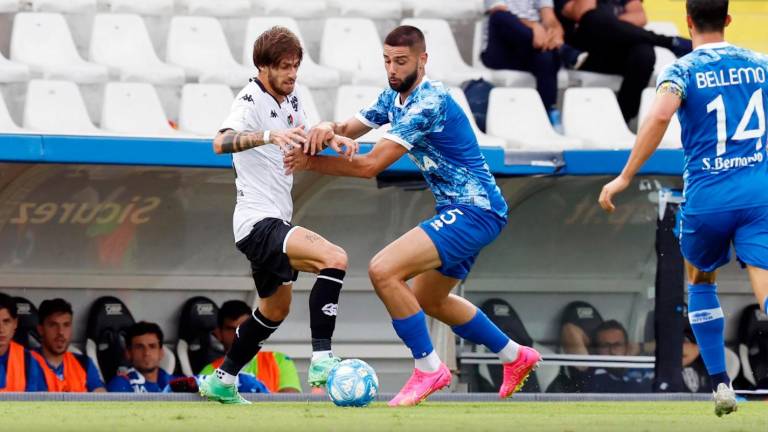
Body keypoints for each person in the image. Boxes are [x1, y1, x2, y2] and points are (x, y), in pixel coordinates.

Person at [284, 25, 541, 407]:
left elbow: (370, 164)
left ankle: (428, 368)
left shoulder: (429, 102)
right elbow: (348, 129)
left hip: (474, 210)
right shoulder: (393, 97)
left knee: (383, 269)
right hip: (468, 211)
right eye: (387, 60)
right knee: (429, 298)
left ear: (423, 60)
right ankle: (515, 356)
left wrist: (309, 162)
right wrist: (326, 128)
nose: (392, 68)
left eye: (401, 61)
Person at [599, 0, 767, 416]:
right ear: (728, 20)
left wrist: (624, 176)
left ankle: (721, 384)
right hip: (759, 194)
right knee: (765, 289)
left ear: (688, 21)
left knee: (701, 281)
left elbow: (658, 116)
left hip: (708, 196)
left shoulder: (682, 70)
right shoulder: (761, 64)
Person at [199, 26, 357, 405]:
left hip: (272, 221)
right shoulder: (249, 99)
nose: (291, 74)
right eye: (284, 67)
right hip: (258, 222)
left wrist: (334, 138)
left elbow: (313, 132)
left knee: (274, 309)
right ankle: (321, 359)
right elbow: (219, 142)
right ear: (263, 66)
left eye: (296, 67)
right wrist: (267, 136)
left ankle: (223, 380)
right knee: (334, 258)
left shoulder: (294, 96)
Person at [556, 0, 693, 122]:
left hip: (617, 50)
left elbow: (641, 17)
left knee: (644, 52)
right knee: (594, 18)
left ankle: (623, 118)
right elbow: (582, 13)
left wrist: (611, 25)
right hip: (585, 56)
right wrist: (608, 23)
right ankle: (669, 42)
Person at [481, 0, 580, 127]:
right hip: (501, 50)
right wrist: (533, 26)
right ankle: (562, 50)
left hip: (533, 45)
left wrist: (554, 31)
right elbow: (499, 11)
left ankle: (547, 115)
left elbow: (549, 18)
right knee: (499, 17)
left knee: (546, 58)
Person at [199, 300, 301, 393]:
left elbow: (292, 401)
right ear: (218, 334)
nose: (239, 334)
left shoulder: (279, 360)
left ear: (254, 329)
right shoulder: (210, 371)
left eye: (243, 327)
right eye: (231, 329)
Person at [31, 298, 105, 392]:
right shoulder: (27, 362)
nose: (61, 332)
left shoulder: (83, 363)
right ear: (41, 330)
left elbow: (101, 398)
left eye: (66, 325)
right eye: (53, 325)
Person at [583, 320, 653, 393]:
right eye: (605, 346)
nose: (612, 351)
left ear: (627, 347)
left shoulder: (644, 369)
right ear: (596, 349)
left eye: (617, 345)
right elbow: (571, 330)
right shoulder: (593, 375)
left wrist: (641, 347)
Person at [106, 321, 178, 392]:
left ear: (161, 352)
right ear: (128, 353)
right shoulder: (120, 385)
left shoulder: (176, 383)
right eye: (139, 347)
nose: (146, 353)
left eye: (152, 346)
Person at [0, 293, 47, 391]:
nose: (1, 329)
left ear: (15, 323)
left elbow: (39, 404)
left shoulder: (29, 361)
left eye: (6, 321)